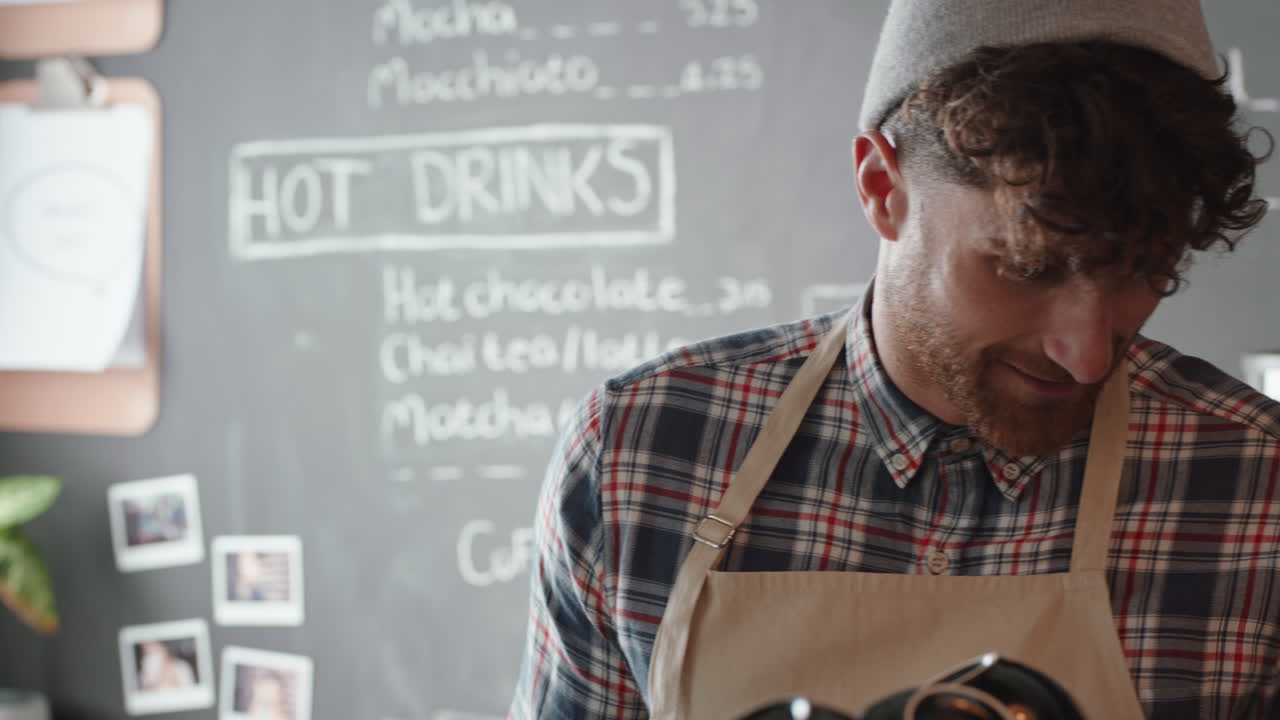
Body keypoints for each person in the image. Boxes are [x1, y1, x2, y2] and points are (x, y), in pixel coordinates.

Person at [510, 1, 1279, 718]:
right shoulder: (638, 455)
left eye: (1143, 271)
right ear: (882, 187)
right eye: (1026, 267)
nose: (1086, 354)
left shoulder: (1258, 484)